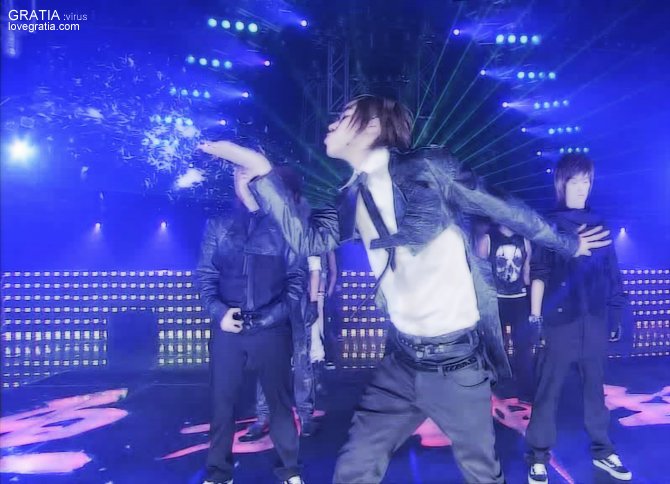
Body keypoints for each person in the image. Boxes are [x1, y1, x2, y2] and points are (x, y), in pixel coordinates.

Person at [198, 94, 612, 484]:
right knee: (354, 468)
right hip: (400, 364)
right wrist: (262, 170)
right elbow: (307, 240)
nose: (332, 124)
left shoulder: (428, 167)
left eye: (343, 117)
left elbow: (502, 206)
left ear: (371, 127)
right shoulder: (351, 196)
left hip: (457, 364)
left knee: (483, 473)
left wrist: (568, 242)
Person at [525, 153, 631, 484]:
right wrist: (535, 319)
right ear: (562, 184)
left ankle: (603, 451)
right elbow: (539, 273)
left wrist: (615, 315)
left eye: (587, 181)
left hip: (594, 320)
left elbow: (612, 273)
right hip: (559, 323)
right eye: (575, 181)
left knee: (595, 391)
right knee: (547, 391)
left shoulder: (600, 223)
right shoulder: (549, 224)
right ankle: (538, 456)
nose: (582, 187)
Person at [196, 166, 305, 484]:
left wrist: (271, 317)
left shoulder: (286, 226)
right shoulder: (219, 226)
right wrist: (219, 313)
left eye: (249, 173)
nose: (243, 179)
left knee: (280, 404)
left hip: (271, 330)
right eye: (238, 174)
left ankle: (290, 471)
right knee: (222, 404)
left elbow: (296, 281)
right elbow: (205, 276)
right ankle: (219, 474)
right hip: (228, 330)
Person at [239, 168, 320, 443]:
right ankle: (263, 417)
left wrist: (313, 301)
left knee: (301, 361)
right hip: (269, 300)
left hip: (296, 303)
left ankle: (306, 417)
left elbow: (313, 267)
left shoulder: (302, 221)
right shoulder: (264, 219)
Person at [477, 224, 535, 401]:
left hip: (519, 299)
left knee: (523, 346)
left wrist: (532, 302)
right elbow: (480, 274)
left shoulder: (524, 240)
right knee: (496, 346)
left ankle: (525, 389)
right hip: (496, 300)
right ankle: (499, 386)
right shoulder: (487, 239)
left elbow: (527, 273)